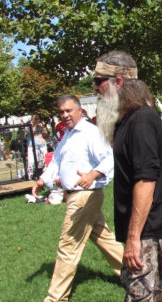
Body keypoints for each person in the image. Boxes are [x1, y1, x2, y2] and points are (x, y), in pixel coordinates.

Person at [94, 50, 162, 301]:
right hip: (143, 229)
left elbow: (145, 182)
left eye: (100, 80)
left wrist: (134, 238)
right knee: (153, 294)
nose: (95, 87)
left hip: (148, 230)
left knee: (140, 296)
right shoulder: (128, 121)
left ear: (118, 82)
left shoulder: (141, 121)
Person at [32, 94, 124, 302]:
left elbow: (109, 158)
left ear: (80, 111)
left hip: (85, 196)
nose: (64, 115)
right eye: (61, 112)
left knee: (68, 244)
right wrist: (42, 180)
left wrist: (93, 174)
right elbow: (56, 161)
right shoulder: (68, 134)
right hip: (76, 196)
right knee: (104, 239)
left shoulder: (91, 133)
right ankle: (135, 275)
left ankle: (56, 297)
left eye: (68, 111)